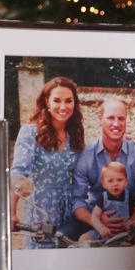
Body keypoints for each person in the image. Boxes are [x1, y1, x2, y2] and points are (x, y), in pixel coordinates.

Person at [59, 98, 135, 241]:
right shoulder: (84, 154)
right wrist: (97, 222)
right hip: (94, 214)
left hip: (131, 216)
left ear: (126, 120)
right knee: (61, 238)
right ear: (100, 118)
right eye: (111, 118)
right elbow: (78, 200)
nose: (116, 124)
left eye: (121, 118)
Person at [10, 76, 85, 248]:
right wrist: (11, 211)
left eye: (68, 101)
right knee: (41, 261)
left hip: (68, 216)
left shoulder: (74, 136)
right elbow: (18, 173)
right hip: (41, 213)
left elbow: (84, 170)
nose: (63, 106)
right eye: (57, 100)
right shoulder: (30, 133)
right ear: (47, 102)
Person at [80, 162, 135, 241]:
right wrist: (101, 228)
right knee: (84, 237)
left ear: (126, 181)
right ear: (104, 184)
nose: (115, 184)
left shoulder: (130, 196)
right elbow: (95, 216)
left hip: (125, 233)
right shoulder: (103, 197)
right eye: (110, 181)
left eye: (120, 180)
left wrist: (132, 221)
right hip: (105, 232)